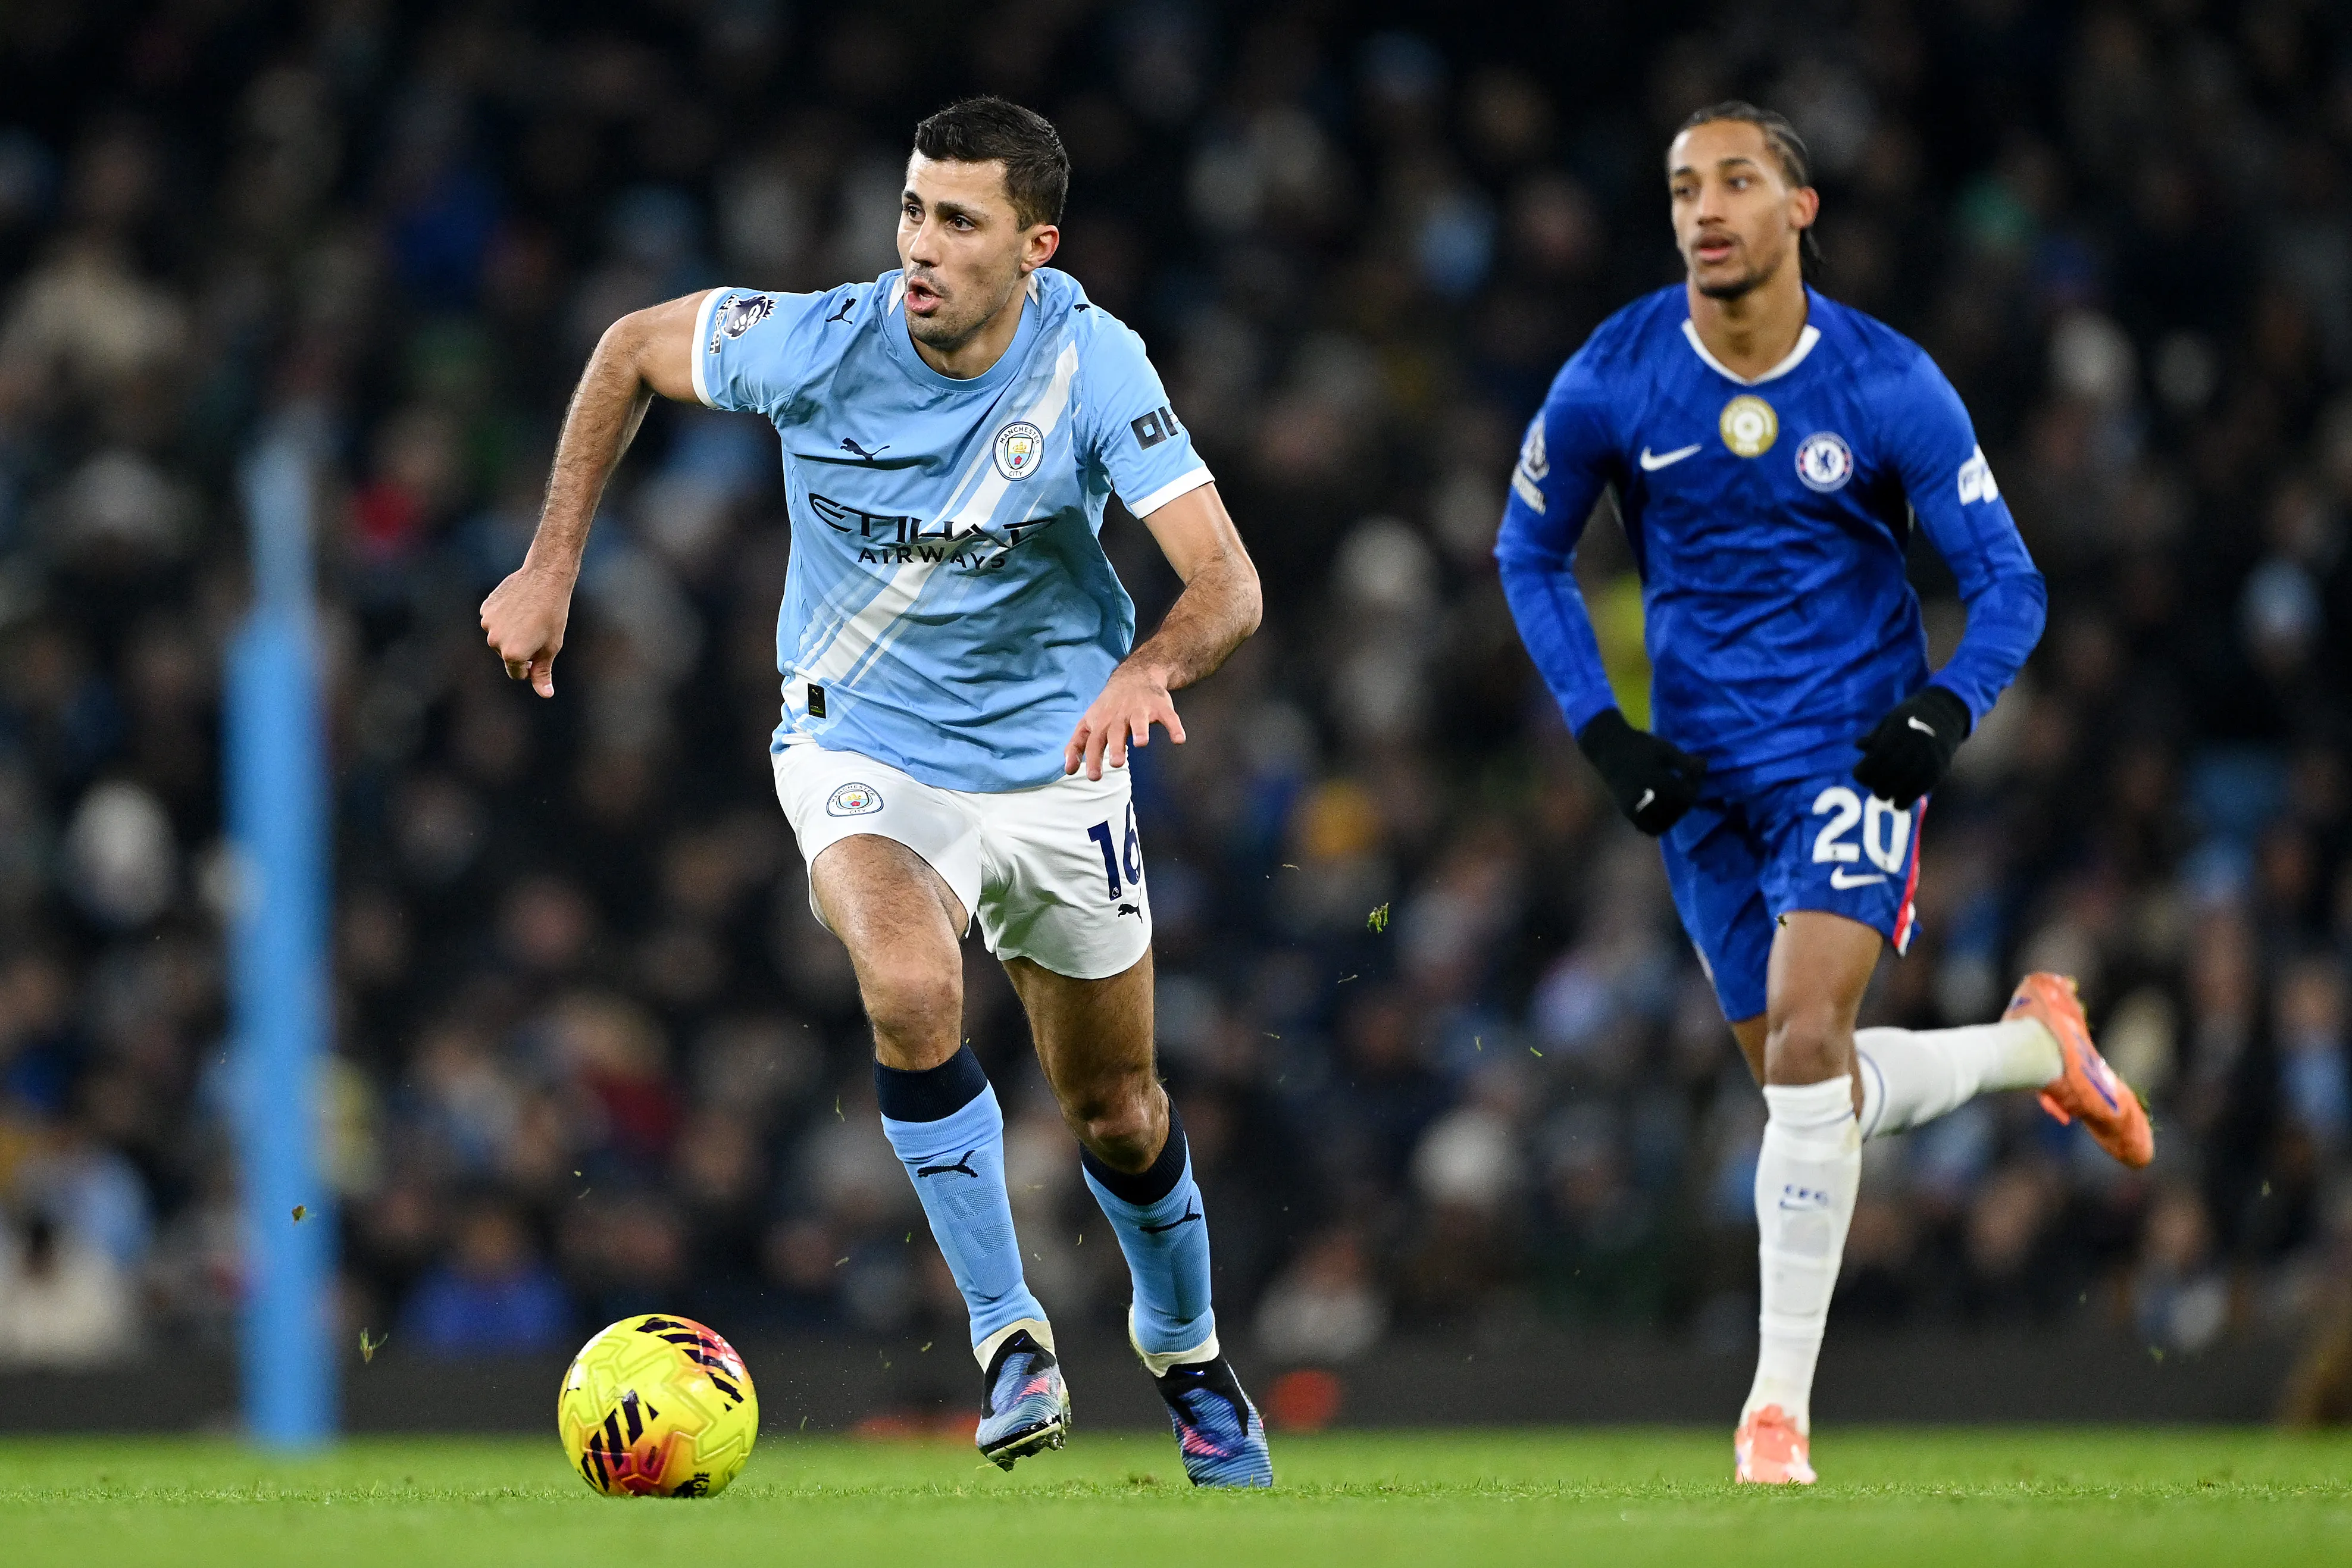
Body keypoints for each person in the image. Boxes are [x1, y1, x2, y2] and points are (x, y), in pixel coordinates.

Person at [479, 98, 1271, 1486]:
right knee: (908, 988)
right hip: (863, 749)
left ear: (1033, 246)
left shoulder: (1090, 365)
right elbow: (624, 351)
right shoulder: (815, 340)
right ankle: (1006, 1335)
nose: (919, 244)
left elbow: (1228, 584)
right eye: (911, 209)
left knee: (1118, 1111)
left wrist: (1151, 669)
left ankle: (1188, 1354)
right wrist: (551, 568)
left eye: (957, 221)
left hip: (1055, 767)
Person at [1494, 102, 2154, 1484]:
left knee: (1802, 1050)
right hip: (1695, 784)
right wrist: (1602, 734)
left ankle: (1771, 1416)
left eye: (1735, 181)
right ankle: (2039, 1051)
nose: (1701, 209)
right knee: (1810, 1089)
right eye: (1681, 187)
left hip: (1847, 759)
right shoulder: (1614, 374)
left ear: (1800, 210)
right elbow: (1527, 553)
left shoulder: (1885, 383)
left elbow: (2010, 584)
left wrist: (1941, 706)